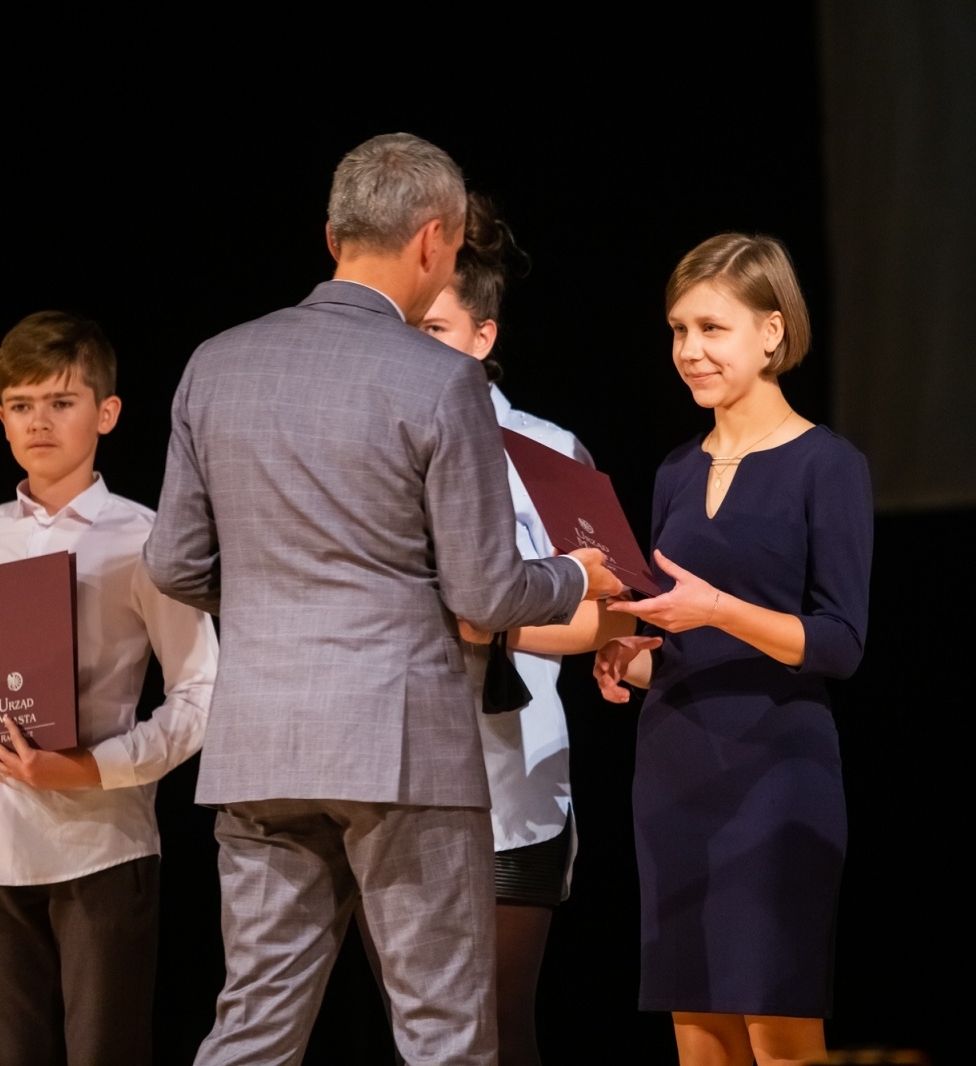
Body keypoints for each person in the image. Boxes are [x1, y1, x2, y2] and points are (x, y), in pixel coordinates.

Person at [142, 133, 621, 1066]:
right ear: (435, 241)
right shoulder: (441, 377)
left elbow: (173, 564)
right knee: (443, 1030)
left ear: (332, 235)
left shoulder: (215, 362)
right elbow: (488, 588)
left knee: (254, 1024)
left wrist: (280, 610)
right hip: (402, 747)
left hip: (264, 743)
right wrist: (578, 578)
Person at [594, 234, 872, 1066]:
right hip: (674, 773)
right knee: (700, 1034)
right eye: (679, 331)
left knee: (776, 1028)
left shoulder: (829, 464)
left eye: (712, 329)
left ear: (773, 333)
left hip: (776, 776)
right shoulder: (676, 469)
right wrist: (631, 657)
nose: (690, 352)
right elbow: (679, 635)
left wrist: (720, 608)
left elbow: (840, 642)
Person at [0, 311, 219, 1066]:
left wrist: (91, 767)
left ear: (107, 412)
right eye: (21, 406)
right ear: (0, 419)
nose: (39, 422)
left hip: (102, 846)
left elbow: (200, 696)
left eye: (61, 402)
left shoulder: (145, 536)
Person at [401, 191, 636, 1066]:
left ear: (484, 339)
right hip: (400, 775)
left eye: (436, 331)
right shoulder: (379, 444)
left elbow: (610, 607)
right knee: (421, 1038)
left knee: (501, 1031)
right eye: (407, 330)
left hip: (515, 783)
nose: (415, 350)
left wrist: (490, 629)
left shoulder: (545, 449)